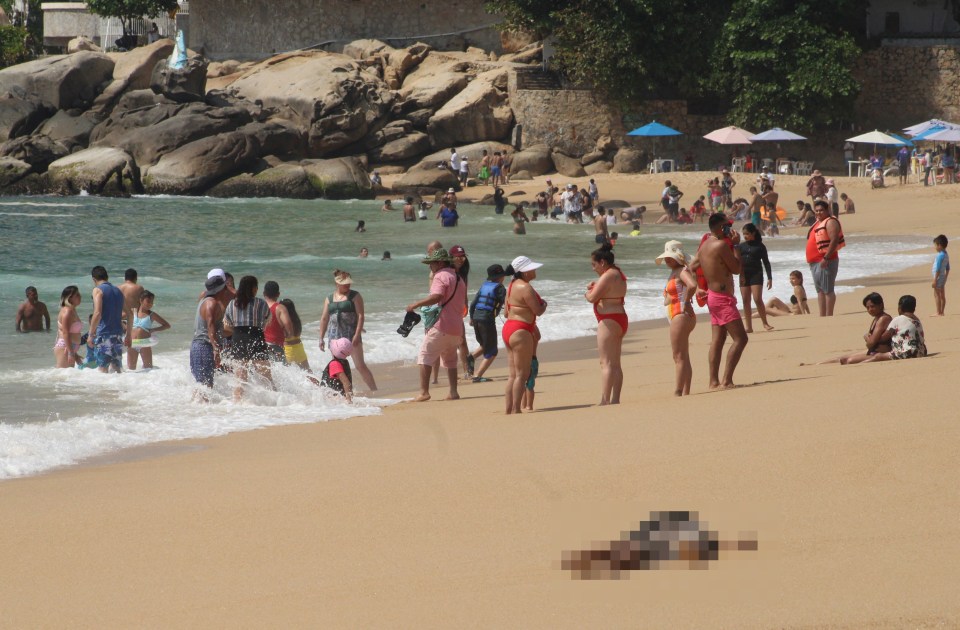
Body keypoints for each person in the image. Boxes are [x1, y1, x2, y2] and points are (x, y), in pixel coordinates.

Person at [690, 213, 748, 390]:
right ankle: (726, 380)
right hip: (722, 298)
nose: (728, 229)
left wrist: (699, 285)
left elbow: (691, 267)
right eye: (726, 226)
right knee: (741, 339)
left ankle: (713, 381)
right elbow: (737, 269)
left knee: (718, 339)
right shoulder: (721, 245)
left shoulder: (705, 244)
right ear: (718, 227)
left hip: (713, 296)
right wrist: (737, 245)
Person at [406, 248, 466, 401]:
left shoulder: (440, 276)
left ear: (439, 263)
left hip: (442, 325)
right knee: (450, 359)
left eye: (431, 263)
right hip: (457, 327)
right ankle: (453, 392)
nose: (430, 267)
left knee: (425, 356)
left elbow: (437, 296)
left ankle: (424, 392)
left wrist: (416, 304)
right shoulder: (458, 278)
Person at [319, 270, 377, 392]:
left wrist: (357, 334)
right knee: (338, 367)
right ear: (337, 283)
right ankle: (341, 392)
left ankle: (374, 390)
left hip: (351, 335)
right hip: (334, 336)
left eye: (348, 283)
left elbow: (360, 316)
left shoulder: (355, 296)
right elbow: (324, 318)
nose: (348, 285)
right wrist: (321, 338)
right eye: (345, 283)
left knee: (360, 365)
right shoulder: (329, 298)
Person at [502, 256, 546, 414]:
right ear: (524, 272)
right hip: (521, 330)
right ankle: (516, 409)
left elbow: (506, 313)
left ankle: (508, 409)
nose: (534, 271)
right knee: (523, 374)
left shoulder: (511, 285)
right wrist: (544, 304)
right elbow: (538, 311)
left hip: (508, 329)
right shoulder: (525, 287)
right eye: (532, 269)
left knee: (513, 375)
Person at [585, 243, 627, 405]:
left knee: (606, 362)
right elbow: (607, 290)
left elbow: (592, 298)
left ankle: (604, 399)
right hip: (620, 318)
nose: (593, 268)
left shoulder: (608, 275)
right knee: (615, 363)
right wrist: (594, 287)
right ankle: (615, 398)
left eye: (594, 264)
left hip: (609, 320)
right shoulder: (618, 273)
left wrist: (587, 291)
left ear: (602, 262)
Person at [656, 240, 697, 396]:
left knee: (678, 356)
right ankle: (685, 391)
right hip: (680, 314)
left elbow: (692, 285)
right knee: (683, 355)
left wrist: (686, 302)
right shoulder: (676, 271)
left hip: (680, 314)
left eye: (670, 257)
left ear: (678, 257)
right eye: (666, 257)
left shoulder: (681, 271)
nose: (667, 260)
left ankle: (678, 391)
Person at [223, 275, 273, 401]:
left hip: (238, 338)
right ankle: (275, 402)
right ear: (254, 289)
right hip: (256, 337)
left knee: (240, 379)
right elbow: (267, 321)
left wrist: (239, 331)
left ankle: (238, 405)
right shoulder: (261, 303)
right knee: (266, 376)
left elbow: (226, 326)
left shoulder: (231, 304)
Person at [816, 292, 892, 365]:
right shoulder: (877, 318)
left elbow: (871, 343)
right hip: (873, 351)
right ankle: (818, 364)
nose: (870, 310)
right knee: (841, 357)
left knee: (847, 360)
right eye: (867, 307)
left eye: (872, 306)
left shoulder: (883, 319)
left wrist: (866, 337)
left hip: (879, 353)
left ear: (881, 305)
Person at [191, 275, 231, 397]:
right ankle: (202, 411)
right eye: (225, 288)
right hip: (204, 347)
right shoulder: (211, 303)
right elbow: (210, 327)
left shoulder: (205, 300)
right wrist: (216, 349)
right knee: (206, 385)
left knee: (203, 385)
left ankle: (196, 410)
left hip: (199, 346)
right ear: (219, 289)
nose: (226, 290)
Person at [468, 264, 507, 382]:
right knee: (492, 351)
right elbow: (507, 302)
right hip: (487, 320)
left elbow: (473, 304)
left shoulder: (484, 286)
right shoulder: (500, 288)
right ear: (501, 277)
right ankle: (477, 376)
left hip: (476, 318)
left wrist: (471, 317)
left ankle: (471, 357)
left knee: (485, 345)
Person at [806, 200, 844, 316]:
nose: (818, 212)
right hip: (815, 262)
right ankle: (822, 315)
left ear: (827, 210)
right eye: (816, 211)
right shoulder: (818, 223)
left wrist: (826, 258)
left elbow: (834, 240)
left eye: (821, 210)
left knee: (828, 290)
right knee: (820, 291)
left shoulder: (830, 222)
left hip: (825, 260)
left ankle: (829, 316)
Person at [862, 295, 927, 362]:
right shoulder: (917, 320)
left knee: (878, 356)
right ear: (914, 308)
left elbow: (883, 338)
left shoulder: (897, 320)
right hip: (921, 352)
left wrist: (868, 337)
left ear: (899, 308)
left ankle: (863, 363)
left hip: (906, 353)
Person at [86, 266, 126, 373]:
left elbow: (97, 313)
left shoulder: (97, 290)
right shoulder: (118, 291)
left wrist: (91, 334)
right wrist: (129, 334)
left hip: (104, 333)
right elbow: (129, 313)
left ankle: (104, 390)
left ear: (94, 279)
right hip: (118, 333)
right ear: (107, 277)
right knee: (117, 368)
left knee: (103, 368)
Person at [738, 223, 774, 333]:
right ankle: (748, 327)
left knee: (757, 299)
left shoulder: (760, 246)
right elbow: (737, 261)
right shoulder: (741, 246)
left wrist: (769, 278)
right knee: (745, 300)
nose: (745, 236)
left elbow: (766, 263)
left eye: (747, 234)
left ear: (753, 233)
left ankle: (765, 323)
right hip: (744, 274)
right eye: (744, 234)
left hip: (756, 274)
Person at [127, 290, 170, 370]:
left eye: (152, 302)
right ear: (141, 300)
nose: (150, 304)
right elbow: (119, 318)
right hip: (132, 344)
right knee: (131, 369)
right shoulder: (133, 311)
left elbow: (167, 325)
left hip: (145, 344)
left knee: (148, 369)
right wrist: (125, 328)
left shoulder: (151, 314)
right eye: (148, 301)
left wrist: (153, 330)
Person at [449, 245, 473, 379]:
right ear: (450, 257)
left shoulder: (463, 273)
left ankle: (467, 371)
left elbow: (464, 292)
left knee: (462, 341)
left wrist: (466, 305)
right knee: (450, 342)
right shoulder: (447, 272)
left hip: (458, 311)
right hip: (447, 310)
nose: (460, 259)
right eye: (457, 257)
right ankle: (437, 376)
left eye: (462, 257)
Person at [54, 285, 83, 368]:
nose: (80, 296)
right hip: (65, 347)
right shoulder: (67, 311)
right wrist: (71, 352)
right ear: (70, 298)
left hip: (69, 347)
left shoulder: (72, 310)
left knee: (68, 377)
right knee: (62, 377)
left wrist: (75, 354)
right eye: (77, 295)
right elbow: (65, 333)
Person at [262, 281, 290, 364]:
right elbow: (288, 325)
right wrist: (287, 335)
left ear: (264, 293)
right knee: (282, 373)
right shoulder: (280, 308)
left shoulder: (259, 306)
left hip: (260, 346)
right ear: (278, 294)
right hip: (275, 346)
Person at [932, 234, 950, 316]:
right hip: (942, 277)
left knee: (936, 294)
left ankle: (938, 312)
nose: (935, 247)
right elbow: (948, 268)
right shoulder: (946, 254)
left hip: (938, 277)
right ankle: (942, 312)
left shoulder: (940, 256)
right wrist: (945, 278)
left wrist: (935, 280)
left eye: (935, 245)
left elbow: (938, 268)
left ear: (939, 245)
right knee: (942, 295)